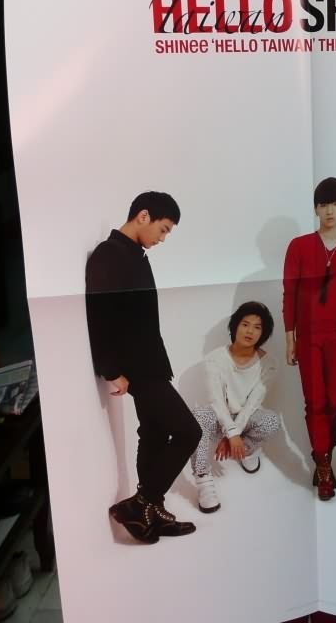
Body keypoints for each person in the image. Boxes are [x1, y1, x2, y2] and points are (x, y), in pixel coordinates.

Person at [85, 191, 201, 543]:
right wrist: (111, 370)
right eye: (163, 229)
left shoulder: (135, 254)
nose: (162, 239)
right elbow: (99, 316)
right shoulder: (109, 254)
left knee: (154, 433)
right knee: (189, 432)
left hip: (152, 362)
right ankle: (141, 504)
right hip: (138, 367)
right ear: (144, 216)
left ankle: (151, 511)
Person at [283, 177, 336, 501]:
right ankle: (323, 463)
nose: (329, 211)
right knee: (315, 401)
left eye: (335, 204)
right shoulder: (299, 246)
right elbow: (290, 293)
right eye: (323, 204)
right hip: (308, 335)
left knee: (334, 401)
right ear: (316, 209)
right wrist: (290, 339)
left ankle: (325, 452)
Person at [191, 301, 281, 513]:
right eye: (245, 324)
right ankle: (203, 480)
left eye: (257, 327)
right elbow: (216, 401)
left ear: (263, 333)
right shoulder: (214, 359)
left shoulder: (270, 363)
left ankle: (244, 450)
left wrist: (232, 435)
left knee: (271, 421)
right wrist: (230, 433)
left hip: (246, 419)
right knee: (198, 416)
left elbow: (252, 403)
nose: (250, 331)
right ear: (235, 326)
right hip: (219, 418)